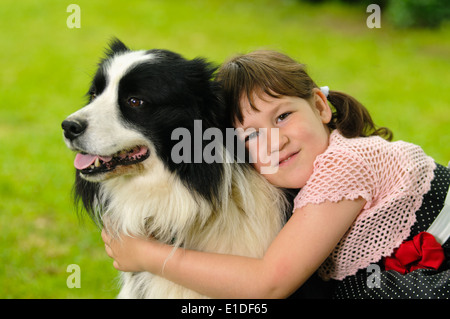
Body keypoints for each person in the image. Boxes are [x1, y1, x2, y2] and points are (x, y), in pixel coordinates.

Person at [101, 50, 450, 299]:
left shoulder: (346, 165)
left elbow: (268, 284)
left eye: (282, 116)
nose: (275, 140)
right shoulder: (289, 176)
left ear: (319, 106)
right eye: (251, 135)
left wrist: (148, 256)